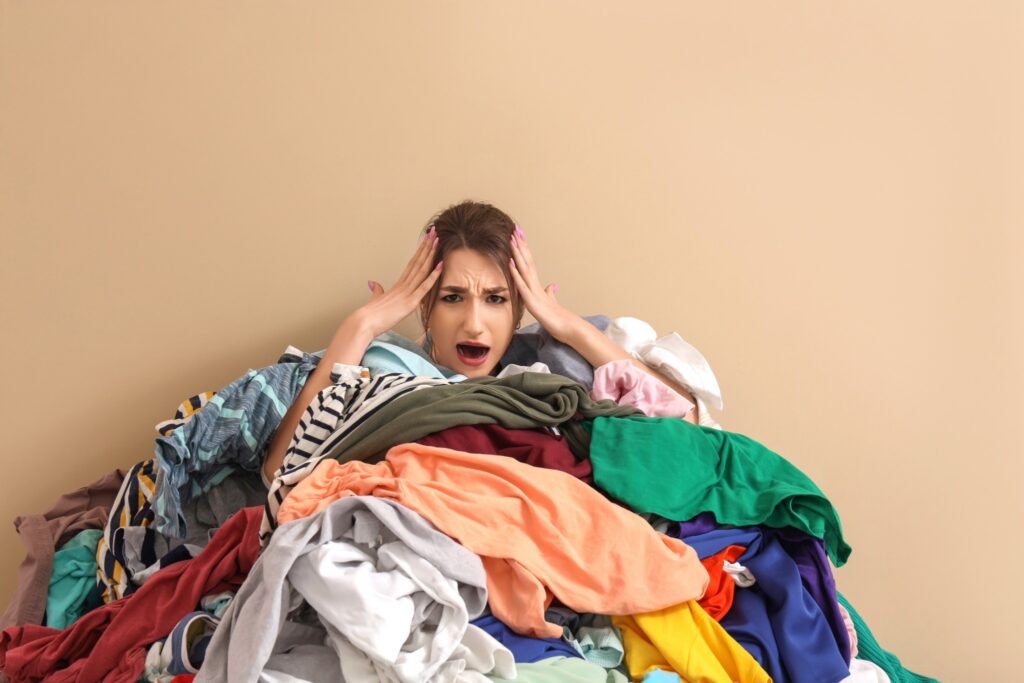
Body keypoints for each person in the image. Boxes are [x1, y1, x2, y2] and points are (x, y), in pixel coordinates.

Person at [262, 200, 697, 483]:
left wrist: (568, 327)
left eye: (495, 299)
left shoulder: (547, 370)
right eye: (453, 298)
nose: (474, 324)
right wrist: (358, 327)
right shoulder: (383, 365)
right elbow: (278, 472)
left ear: (520, 308)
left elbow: (690, 424)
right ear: (426, 304)